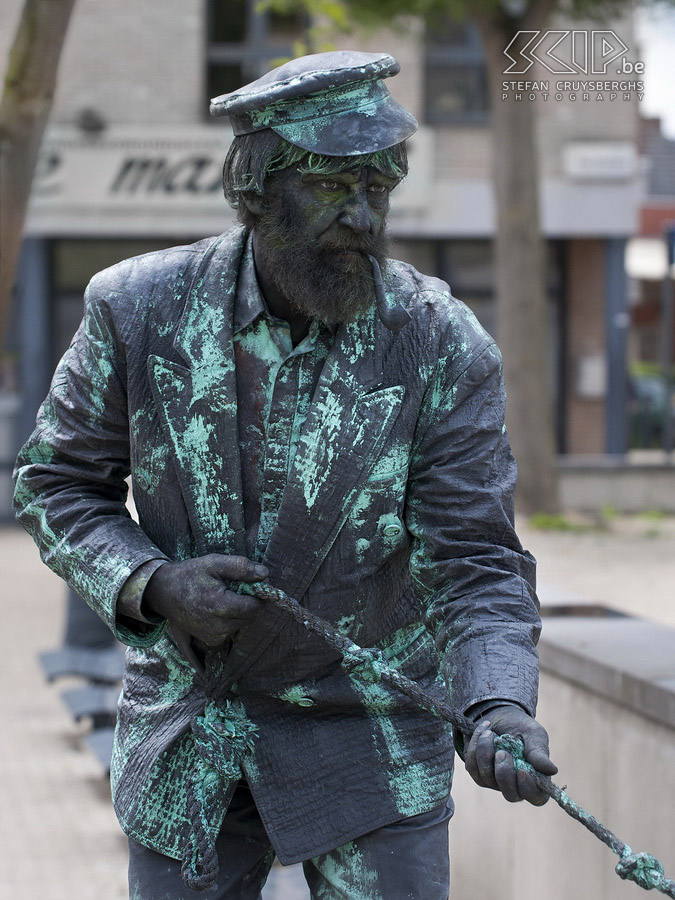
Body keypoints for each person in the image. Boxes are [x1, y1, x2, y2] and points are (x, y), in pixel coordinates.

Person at [14, 50, 556, 899]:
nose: (363, 216)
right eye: (333, 187)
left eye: (377, 189)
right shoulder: (137, 309)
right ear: (256, 190)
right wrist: (152, 584)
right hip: (191, 738)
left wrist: (498, 705)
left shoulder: (439, 343)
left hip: (370, 739)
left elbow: (476, 560)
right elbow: (54, 483)